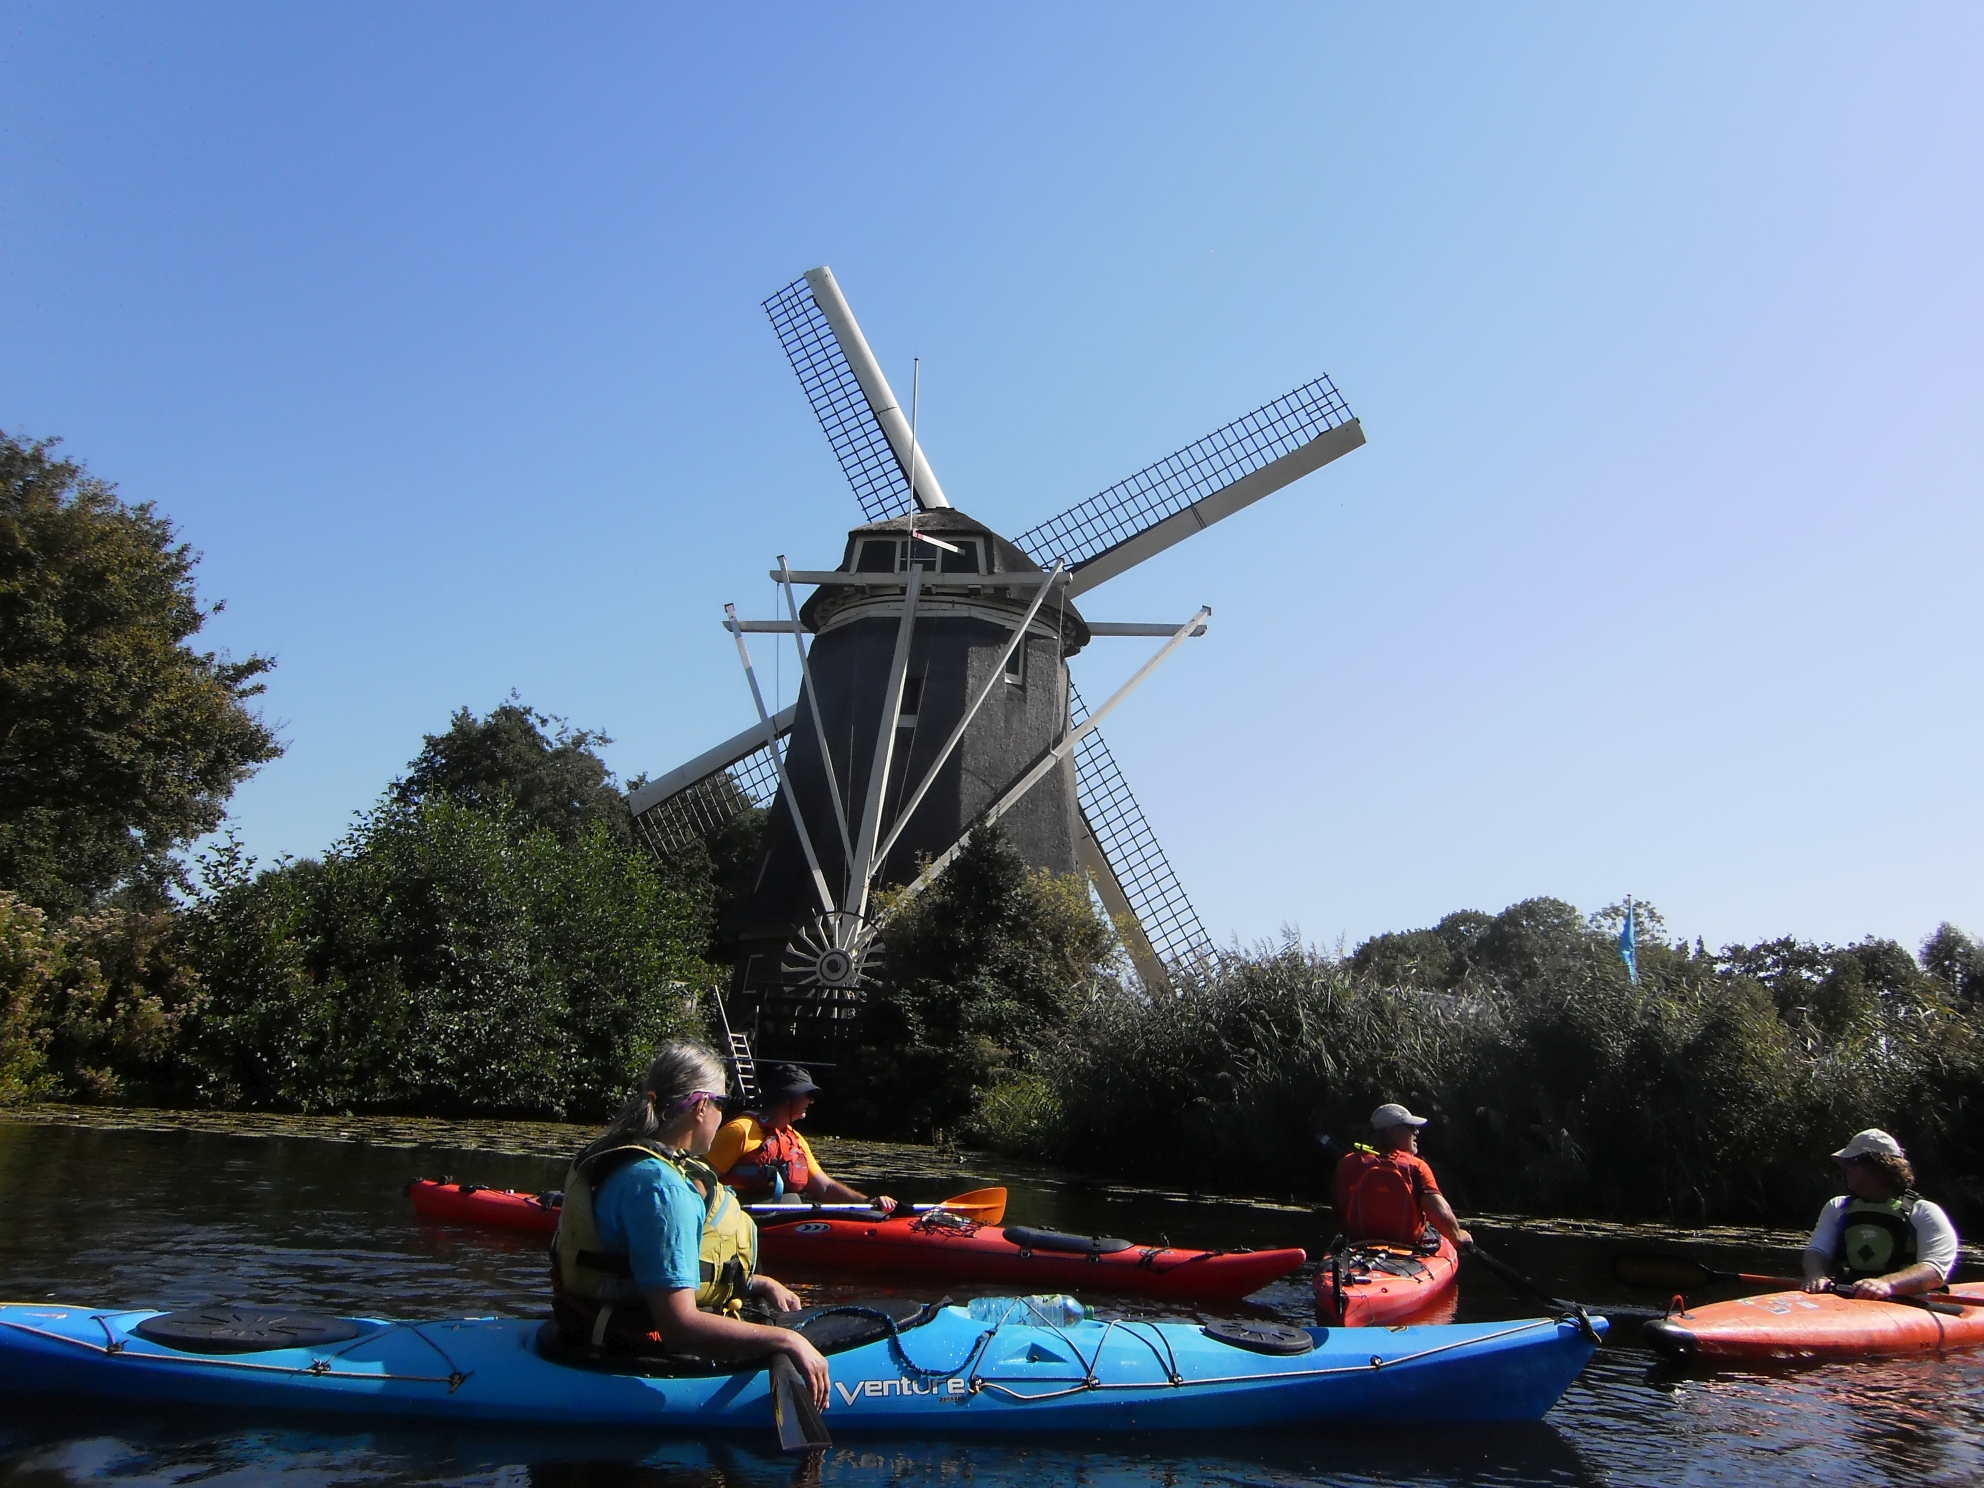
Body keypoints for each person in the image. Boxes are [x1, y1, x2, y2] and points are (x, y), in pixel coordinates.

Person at [550, 1040, 830, 1408]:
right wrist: (786, 1341)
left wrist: (754, 1282)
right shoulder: (661, 1188)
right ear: (701, 1107)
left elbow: (642, 1264)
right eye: (721, 1105)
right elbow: (679, 1326)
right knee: (788, 1334)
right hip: (625, 1343)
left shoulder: (623, 1153)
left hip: (588, 1320)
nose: (723, 1116)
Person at [708, 1064, 897, 1214]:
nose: (812, 1101)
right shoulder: (740, 1131)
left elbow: (825, 1188)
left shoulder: (794, 1140)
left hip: (779, 1222)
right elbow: (699, 1181)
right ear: (788, 1097)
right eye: (807, 1095)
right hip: (740, 1219)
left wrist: (868, 1202)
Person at [1800, 1129, 1958, 1300]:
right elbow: (1817, 1251)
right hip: (1847, 1297)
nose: (1845, 1169)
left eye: (1851, 1162)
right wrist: (1815, 1275)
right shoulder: (1837, 1207)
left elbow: (1935, 1271)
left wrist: (1887, 1284)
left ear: (1878, 1166)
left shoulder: (1924, 1212)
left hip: (1901, 1303)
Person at [1332, 1102, 1473, 1251]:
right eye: (1411, 1127)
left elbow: (1339, 1205)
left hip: (1356, 1245)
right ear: (1393, 1131)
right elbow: (1441, 1213)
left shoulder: (1347, 1162)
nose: (1416, 1132)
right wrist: (1458, 1237)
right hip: (1406, 1248)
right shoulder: (1416, 1166)